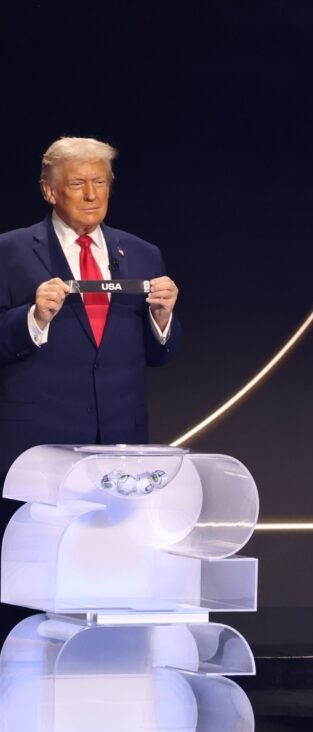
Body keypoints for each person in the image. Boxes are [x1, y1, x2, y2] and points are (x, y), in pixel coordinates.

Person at [0, 136, 181, 487]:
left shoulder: (143, 254)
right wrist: (33, 319)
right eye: (77, 184)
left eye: (99, 182)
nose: (91, 195)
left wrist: (162, 319)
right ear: (49, 191)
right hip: (38, 448)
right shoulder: (9, 252)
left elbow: (159, 355)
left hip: (120, 447)